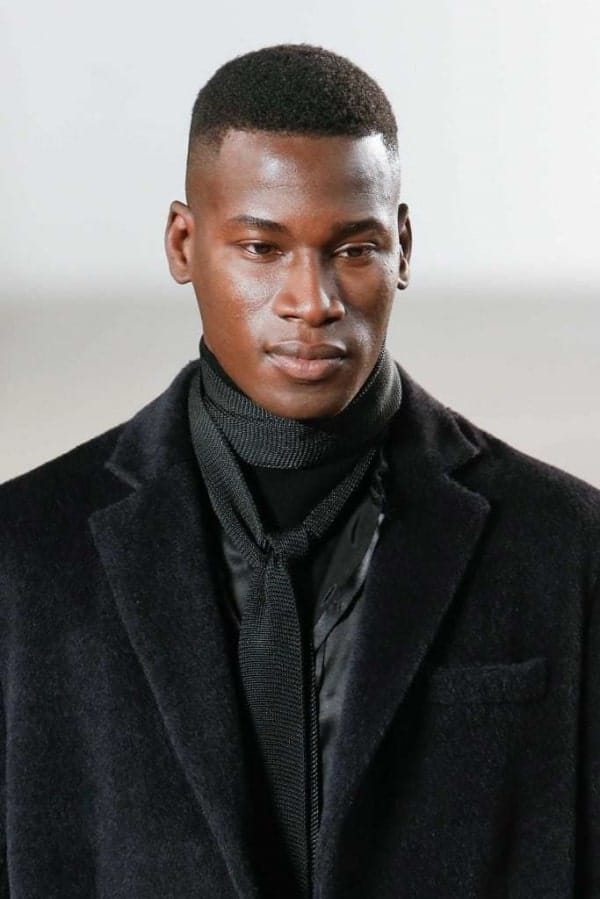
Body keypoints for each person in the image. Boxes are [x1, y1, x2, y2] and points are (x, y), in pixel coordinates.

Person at [0, 43, 598, 899]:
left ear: (402, 248)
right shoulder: (24, 554)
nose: (312, 300)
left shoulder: (566, 545)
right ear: (183, 242)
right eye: (261, 247)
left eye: (352, 249)